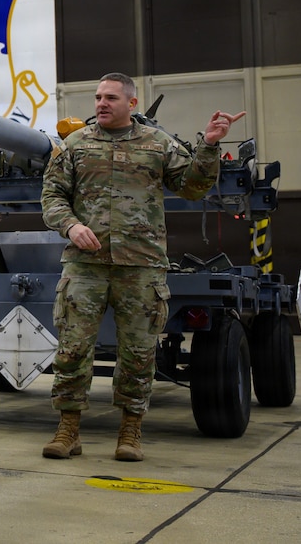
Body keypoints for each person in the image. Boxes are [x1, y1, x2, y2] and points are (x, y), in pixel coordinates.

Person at [39, 72, 243, 462]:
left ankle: (130, 432)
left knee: (138, 352)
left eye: (111, 98)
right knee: (72, 348)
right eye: (98, 96)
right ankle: (68, 430)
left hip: (142, 265)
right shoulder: (75, 144)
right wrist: (71, 224)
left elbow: (192, 186)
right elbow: (51, 194)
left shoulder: (157, 143)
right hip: (86, 266)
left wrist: (210, 146)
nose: (101, 103)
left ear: (132, 104)